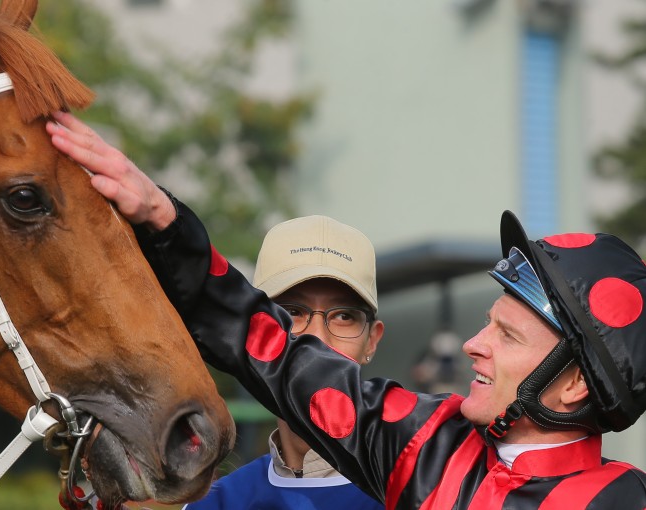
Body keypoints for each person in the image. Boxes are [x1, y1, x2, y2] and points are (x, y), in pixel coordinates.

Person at [48, 111, 646, 509]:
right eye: (487, 322)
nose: (471, 344)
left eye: (507, 335)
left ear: (570, 385)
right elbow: (267, 347)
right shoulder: (428, 445)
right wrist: (162, 219)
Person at [182, 215, 384, 509]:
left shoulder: (425, 493)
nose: (316, 338)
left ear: (372, 341)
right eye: (291, 310)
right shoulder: (215, 504)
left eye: (344, 316)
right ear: (253, 330)